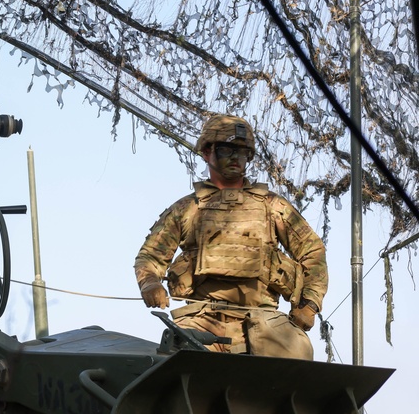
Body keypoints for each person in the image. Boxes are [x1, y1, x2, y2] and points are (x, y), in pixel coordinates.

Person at [134, 114, 327, 360]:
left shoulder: (273, 207)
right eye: (226, 150)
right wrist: (150, 283)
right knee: (178, 368)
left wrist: (309, 303)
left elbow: (313, 252)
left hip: (265, 321)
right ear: (206, 152)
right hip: (201, 321)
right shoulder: (187, 209)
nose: (236, 158)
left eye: (243, 152)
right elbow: (150, 256)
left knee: (295, 364)